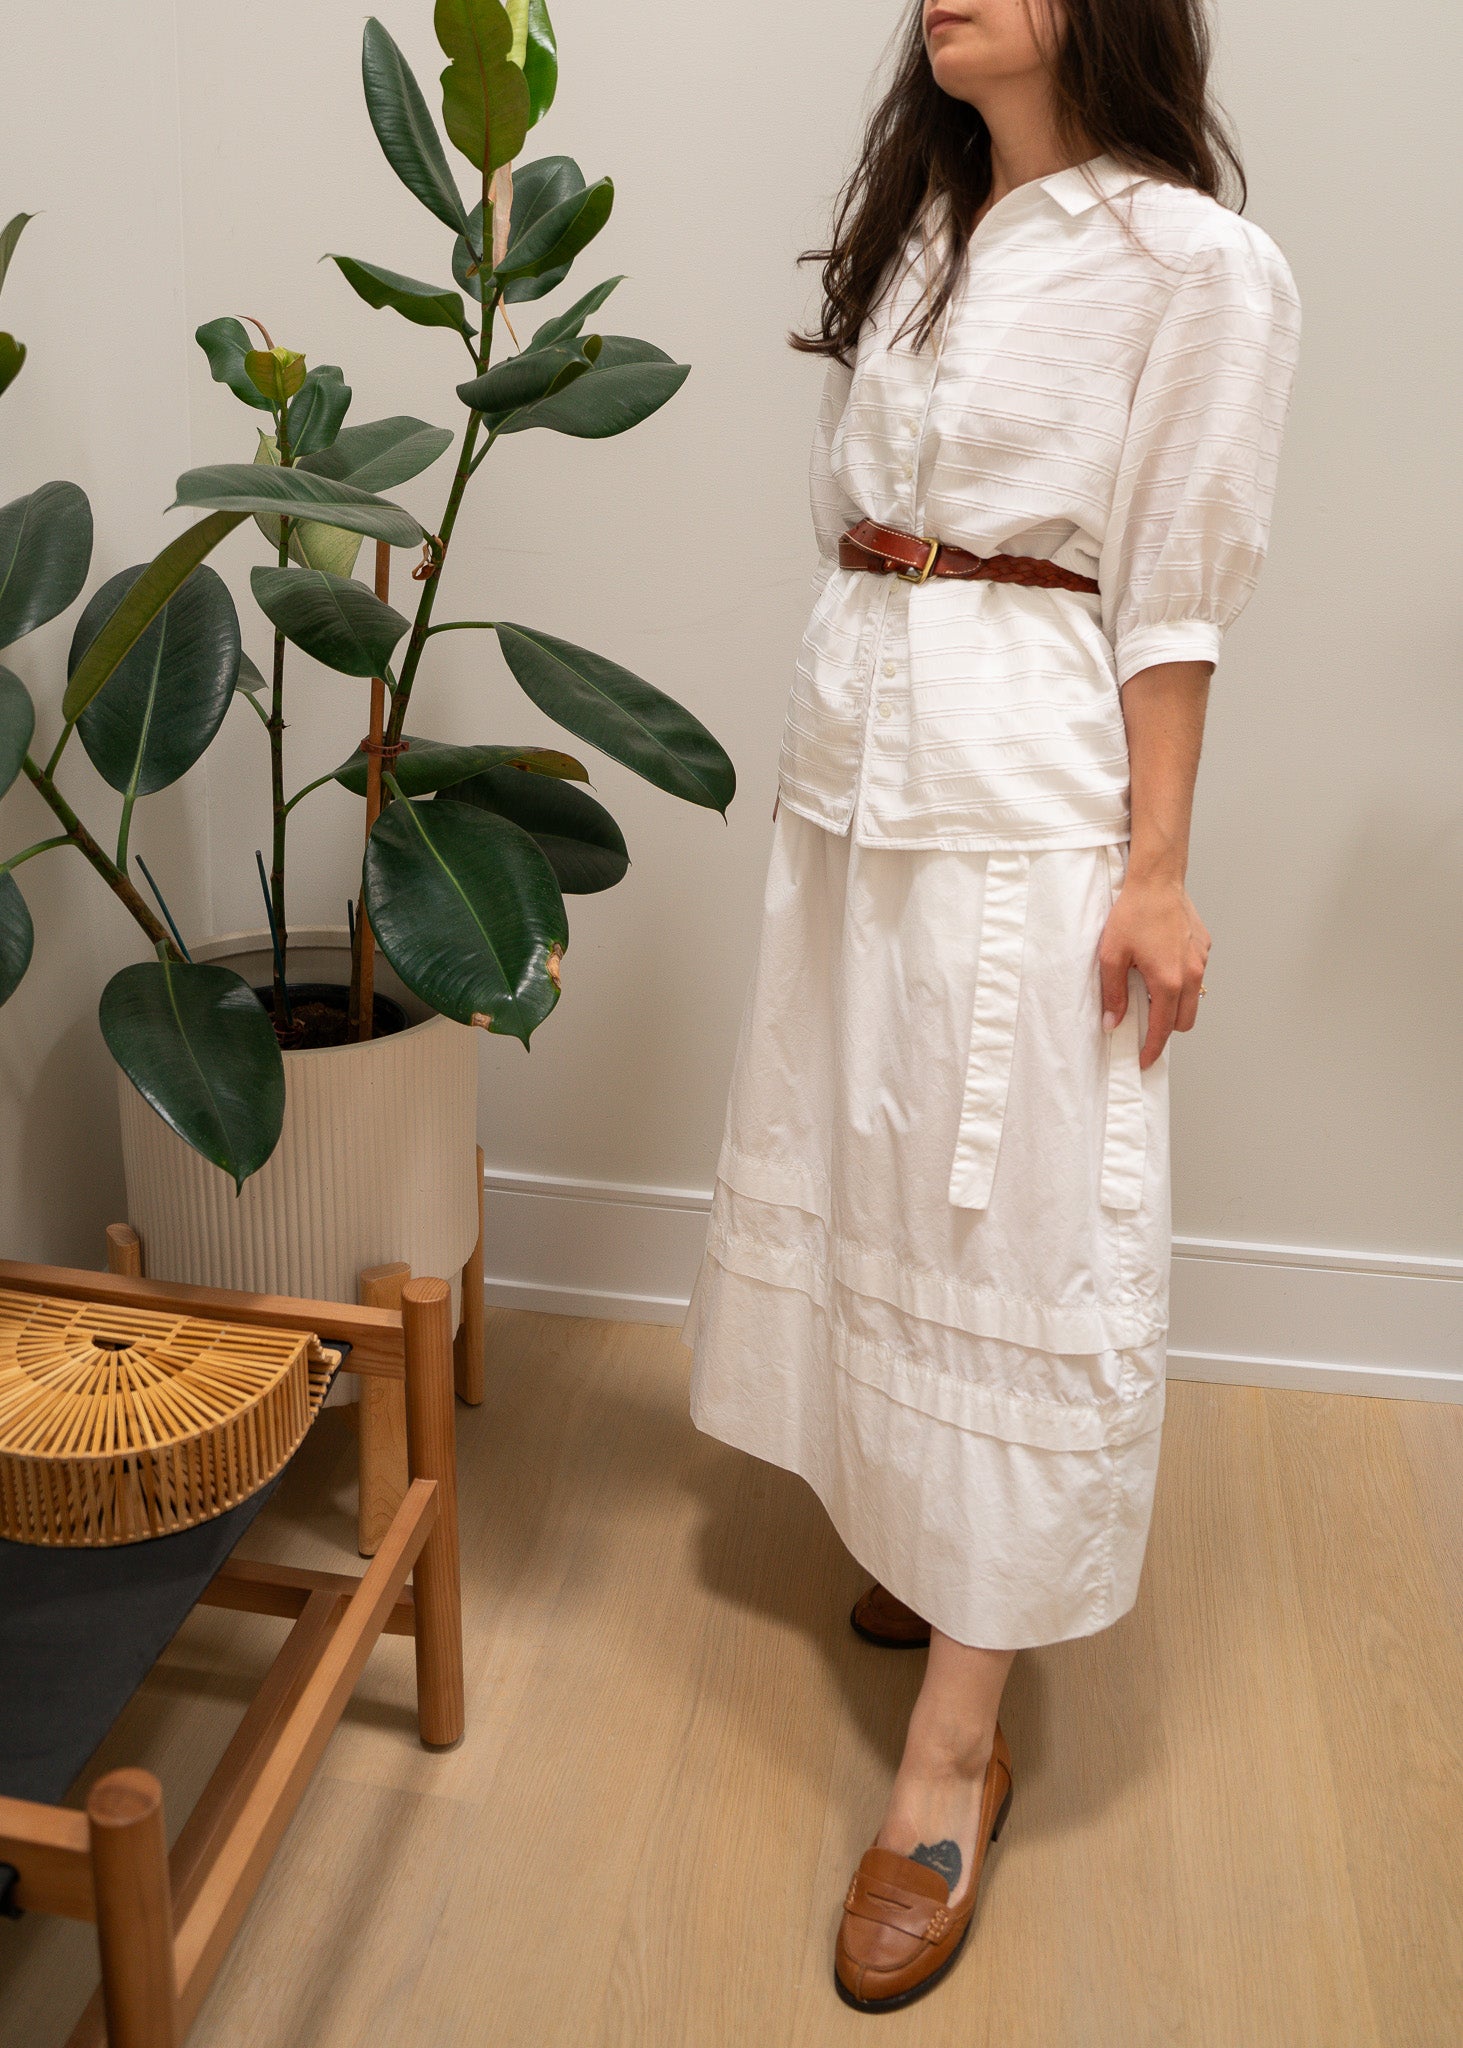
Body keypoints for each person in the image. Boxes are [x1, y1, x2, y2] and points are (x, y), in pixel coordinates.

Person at [680, 0, 1300, 2014]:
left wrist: (1160, 867)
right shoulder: (932, 231)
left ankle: (952, 1761)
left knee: (1012, 1197)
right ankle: (919, 1520)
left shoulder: (1196, 265)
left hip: (1031, 792)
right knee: (872, 1166)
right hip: (857, 761)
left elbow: (1179, 590)